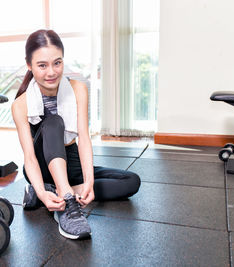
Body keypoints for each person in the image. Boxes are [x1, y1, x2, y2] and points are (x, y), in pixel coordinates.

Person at [11, 29, 141, 240]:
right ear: (29, 65)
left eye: (57, 63)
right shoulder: (20, 104)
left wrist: (89, 181)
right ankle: (66, 203)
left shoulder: (78, 88)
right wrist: (45, 194)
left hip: (71, 163)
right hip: (42, 165)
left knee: (130, 181)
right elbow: (29, 157)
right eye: (42, 65)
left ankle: (52, 190)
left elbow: (83, 138)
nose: (51, 72)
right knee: (53, 122)